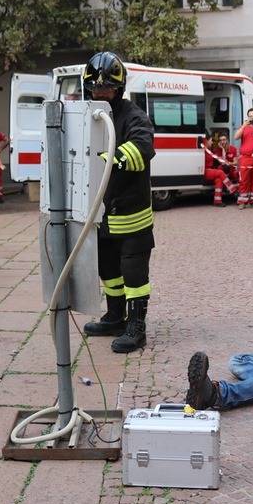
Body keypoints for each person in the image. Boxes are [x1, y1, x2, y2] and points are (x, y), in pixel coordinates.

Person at [79, 52, 155, 354]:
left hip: (131, 215)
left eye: (106, 89)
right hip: (102, 214)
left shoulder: (133, 116)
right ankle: (115, 317)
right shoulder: (86, 114)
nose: (100, 94)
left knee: (134, 274)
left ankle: (137, 326)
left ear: (119, 89)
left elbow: (142, 147)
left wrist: (108, 159)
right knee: (108, 269)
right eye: (96, 89)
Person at [202, 135, 237, 207]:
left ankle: (217, 201)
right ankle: (232, 190)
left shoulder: (209, 150)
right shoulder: (204, 150)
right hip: (205, 171)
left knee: (219, 180)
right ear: (206, 141)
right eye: (211, 141)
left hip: (211, 170)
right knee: (220, 172)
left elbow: (223, 161)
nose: (212, 143)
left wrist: (223, 150)